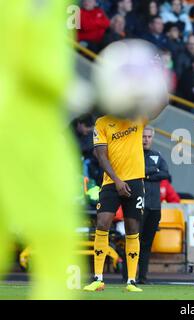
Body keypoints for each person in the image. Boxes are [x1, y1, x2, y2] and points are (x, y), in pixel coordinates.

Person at [0, 0, 84, 300]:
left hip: (34, 130)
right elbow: (29, 55)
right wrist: (75, 89)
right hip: (22, 133)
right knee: (56, 243)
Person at [83, 115, 148, 292]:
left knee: (133, 228)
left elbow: (162, 102)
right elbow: (101, 156)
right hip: (111, 182)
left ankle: (131, 281)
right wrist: (117, 181)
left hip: (135, 181)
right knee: (102, 223)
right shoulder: (102, 122)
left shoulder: (137, 116)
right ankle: (98, 278)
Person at [137, 126, 171, 284]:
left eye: (149, 137)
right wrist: (153, 171)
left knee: (147, 243)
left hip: (155, 206)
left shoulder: (157, 155)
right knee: (133, 239)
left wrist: (147, 173)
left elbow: (166, 174)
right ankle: (127, 276)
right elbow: (136, 172)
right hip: (138, 205)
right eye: (144, 136)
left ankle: (142, 277)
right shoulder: (134, 154)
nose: (146, 139)